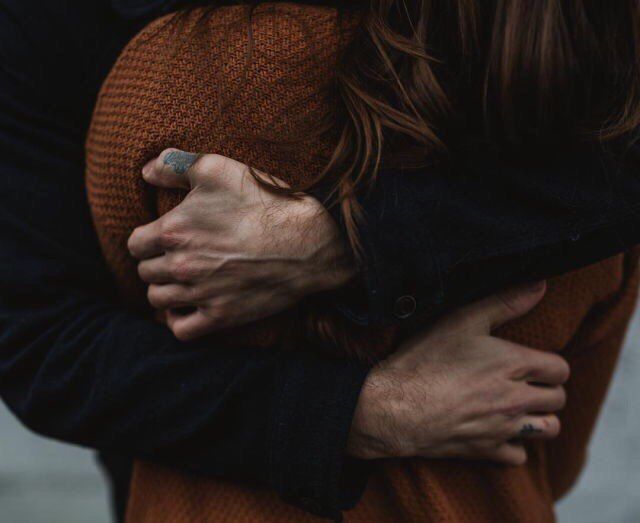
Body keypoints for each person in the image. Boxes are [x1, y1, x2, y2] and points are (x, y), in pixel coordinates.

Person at [0, 0, 637, 522]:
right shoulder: (569, 77)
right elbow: (557, 446)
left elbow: (57, 335)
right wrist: (365, 411)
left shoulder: (170, 81)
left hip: (194, 483)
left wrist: (337, 239)